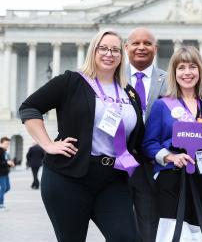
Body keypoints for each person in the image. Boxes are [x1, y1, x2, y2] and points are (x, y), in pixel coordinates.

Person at [19, 29, 144, 242]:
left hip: (113, 179)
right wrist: (48, 144)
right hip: (69, 177)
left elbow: (136, 136)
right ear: (93, 51)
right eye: (103, 48)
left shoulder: (129, 92)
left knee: (127, 238)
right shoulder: (71, 82)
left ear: (122, 56)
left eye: (115, 50)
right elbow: (29, 107)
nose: (109, 54)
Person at [143, 46, 202, 240]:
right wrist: (170, 156)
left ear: (200, 71)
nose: (187, 73)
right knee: (175, 235)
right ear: (174, 72)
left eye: (192, 67)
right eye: (181, 68)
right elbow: (149, 143)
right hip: (172, 180)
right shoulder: (162, 105)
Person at [125, 27, 167, 242]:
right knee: (117, 223)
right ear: (126, 47)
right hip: (116, 162)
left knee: (149, 222)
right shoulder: (111, 77)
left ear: (155, 48)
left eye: (147, 43)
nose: (141, 47)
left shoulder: (169, 80)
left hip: (152, 162)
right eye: (136, 43)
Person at [0, 136, 15, 211]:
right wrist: (7, 163)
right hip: (1, 173)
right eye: (6, 143)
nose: (7, 145)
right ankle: (1, 204)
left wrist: (10, 163)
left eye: (8, 144)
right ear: (1, 143)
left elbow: (6, 161)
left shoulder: (5, 151)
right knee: (3, 188)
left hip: (6, 173)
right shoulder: (0, 151)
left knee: (7, 188)